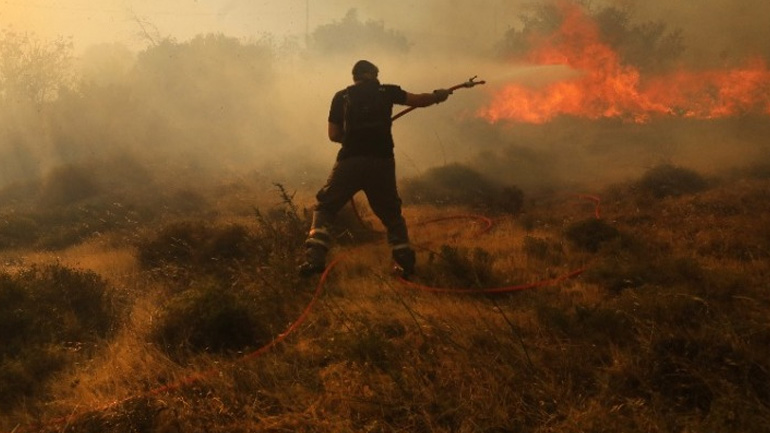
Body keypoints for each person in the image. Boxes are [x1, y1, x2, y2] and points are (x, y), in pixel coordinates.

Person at [299, 60, 452, 278]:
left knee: (325, 207)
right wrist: (439, 95)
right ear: (371, 74)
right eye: (376, 73)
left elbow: (333, 135)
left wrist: (353, 139)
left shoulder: (341, 97)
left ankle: (314, 260)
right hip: (381, 162)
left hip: (349, 161)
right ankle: (405, 266)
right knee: (391, 215)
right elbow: (418, 100)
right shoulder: (387, 91)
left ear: (355, 77)